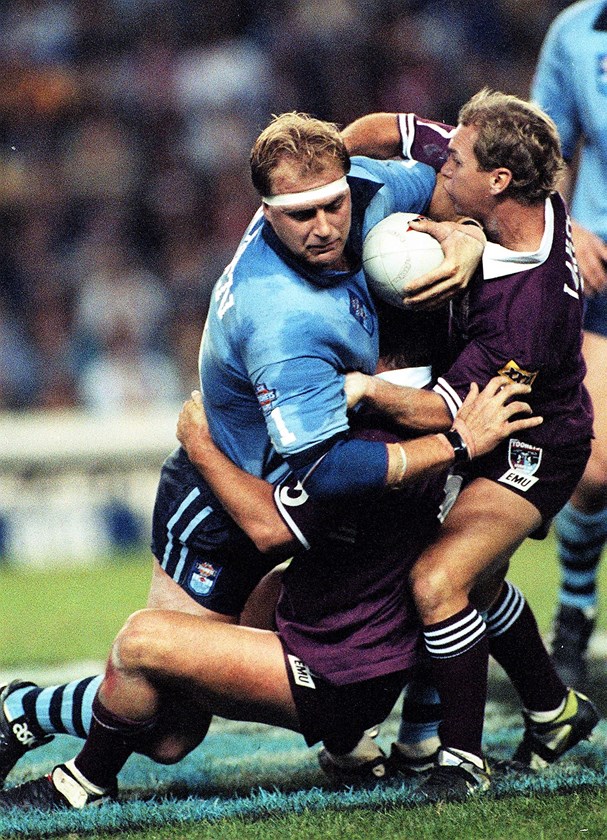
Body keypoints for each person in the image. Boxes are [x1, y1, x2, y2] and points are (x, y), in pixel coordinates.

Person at [0, 111, 488, 788]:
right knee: (169, 731)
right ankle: (23, 711)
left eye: (333, 205)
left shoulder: (371, 187)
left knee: (435, 562)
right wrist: (455, 442)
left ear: (349, 183)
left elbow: (461, 165)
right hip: (226, 503)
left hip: (302, 479)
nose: (323, 227)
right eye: (299, 215)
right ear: (266, 210)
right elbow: (299, 496)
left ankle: (392, 736)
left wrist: (466, 233)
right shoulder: (282, 316)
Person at [0, 372, 542, 811]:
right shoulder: (467, 470)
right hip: (338, 641)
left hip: (334, 676)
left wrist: (201, 446)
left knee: (142, 644)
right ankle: (23, 712)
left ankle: (80, 783)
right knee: (170, 734)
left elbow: (268, 528)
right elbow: (486, 586)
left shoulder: (366, 449)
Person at [339, 89, 598, 800]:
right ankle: (554, 711)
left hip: (534, 444)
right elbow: (383, 128)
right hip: (503, 417)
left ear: (498, 181)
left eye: (455, 161)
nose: (441, 163)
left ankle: (460, 759)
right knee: (477, 581)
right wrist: (329, 174)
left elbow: (444, 414)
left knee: (438, 581)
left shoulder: (528, 313)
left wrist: (362, 390)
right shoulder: (503, 188)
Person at [531, 0, 607, 688]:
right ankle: (576, 609)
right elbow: (540, 150)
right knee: (594, 466)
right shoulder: (576, 31)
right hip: (600, 265)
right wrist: (562, 224)